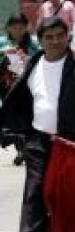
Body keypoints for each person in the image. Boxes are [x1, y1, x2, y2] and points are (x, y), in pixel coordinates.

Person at [0, 16, 75, 232]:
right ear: (41, 40)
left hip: (73, 142)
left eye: (60, 36)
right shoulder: (33, 64)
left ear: (67, 36)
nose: (55, 41)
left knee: (69, 194)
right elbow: (20, 97)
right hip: (39, 140)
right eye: (49, 37)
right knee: (35, 191)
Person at [0, 13, 41, 166]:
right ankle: (18, 143)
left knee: (25, 118)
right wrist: (4, 56)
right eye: (14, 27)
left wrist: (26, 58)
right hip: (6, 87)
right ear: (8, 28)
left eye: (21, 27)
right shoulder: (2, 43)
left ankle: (23, 149)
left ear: (26, 28)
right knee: (9, 117)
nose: (17, 30)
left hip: (25, 86)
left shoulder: (33, 44)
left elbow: (39, 59)